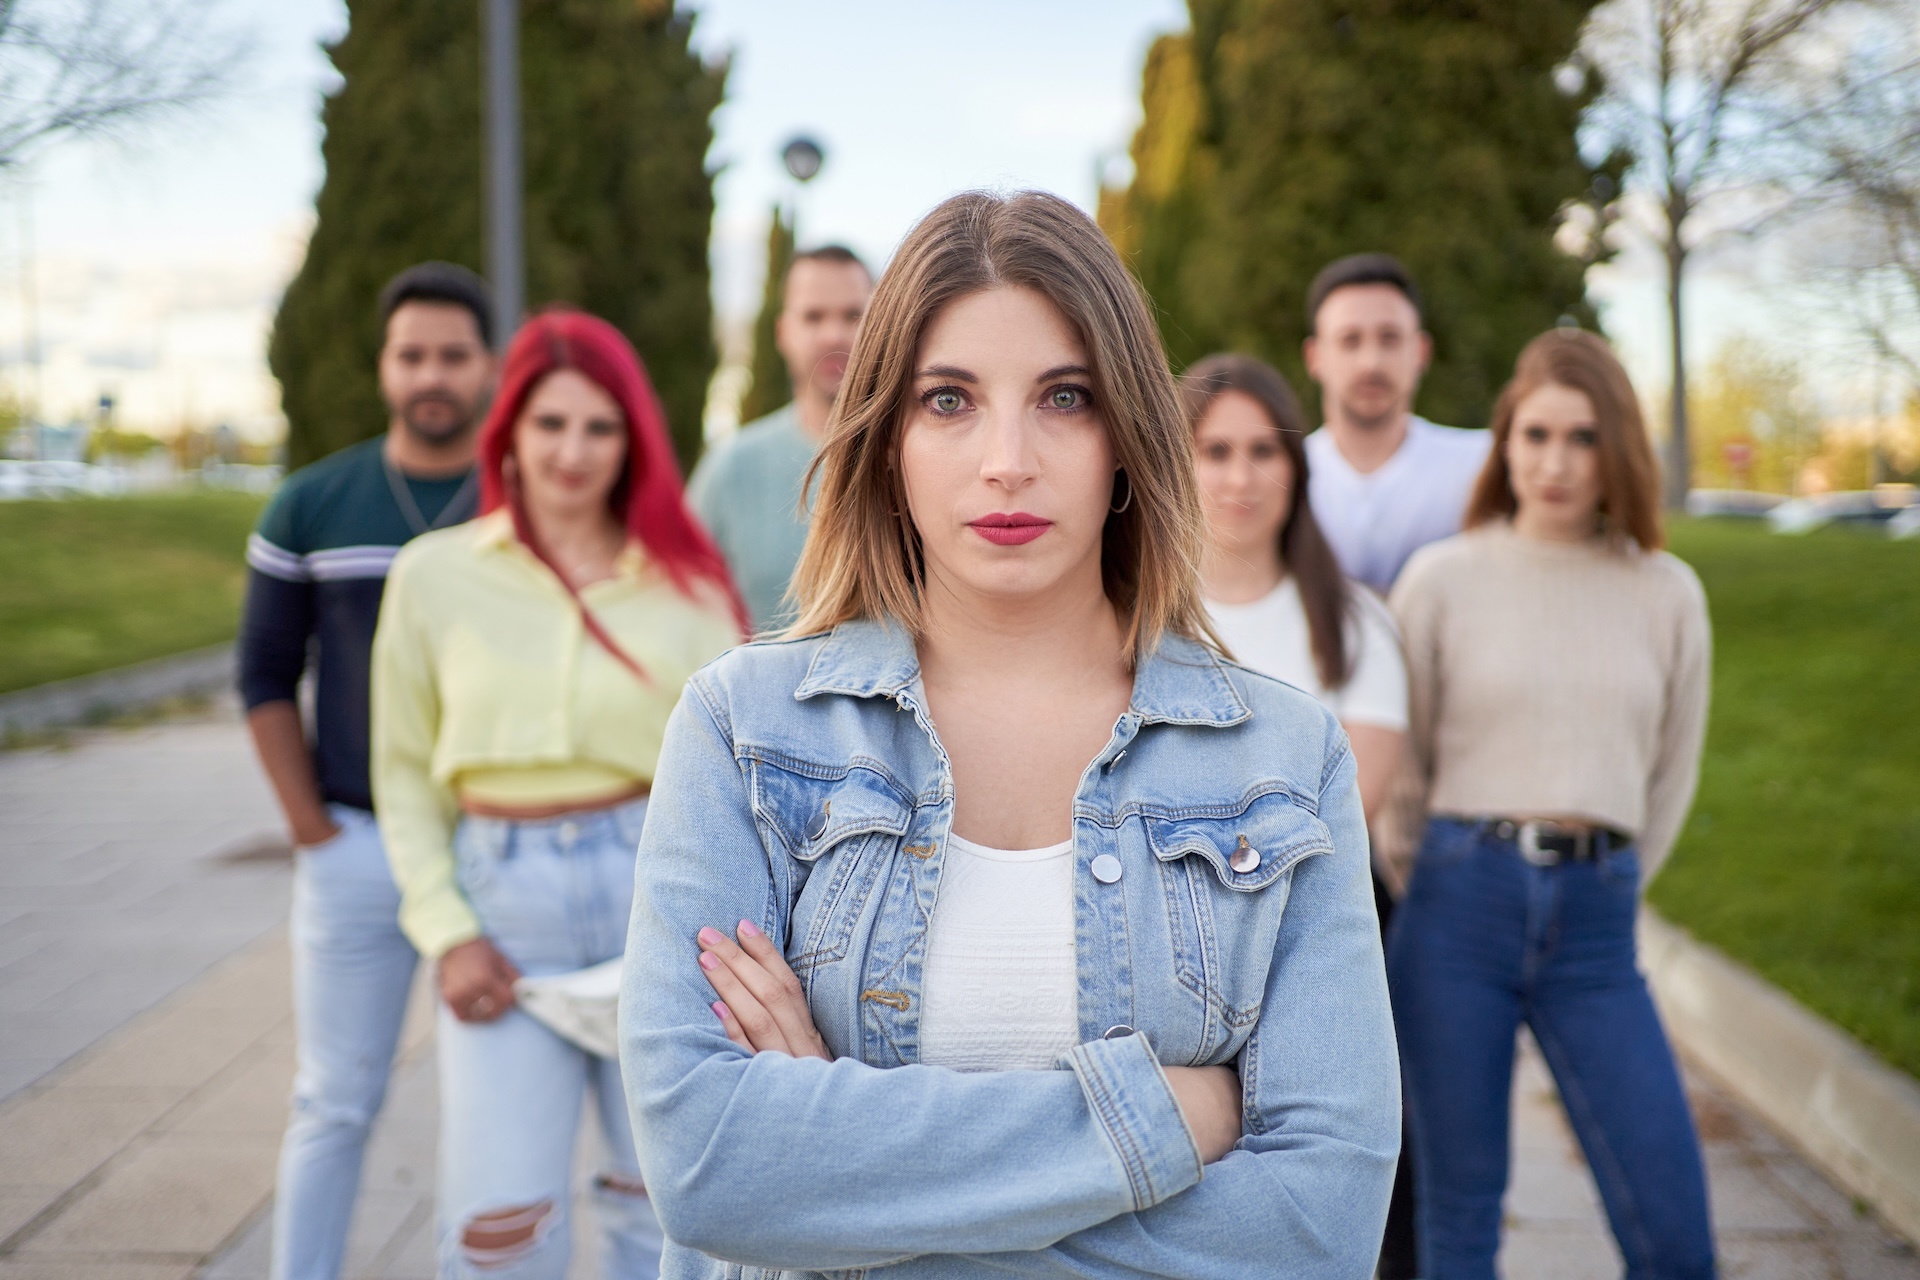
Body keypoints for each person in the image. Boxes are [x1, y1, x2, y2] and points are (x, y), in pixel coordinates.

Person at [618, 190, 1399, 1279]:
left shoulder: (1283, 756)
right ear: (887, 439)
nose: (1007, 459)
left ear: (1127, 435)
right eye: (949, 400)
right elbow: (710, 1164)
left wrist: (840, 1191)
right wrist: (1159, 1122)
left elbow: (1320, 1230)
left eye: (1065, 397)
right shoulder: (744, 729)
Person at [371, 311, 745, 1279]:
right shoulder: (431, 576)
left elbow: (736, 781)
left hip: (656, 899)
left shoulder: (692, 587)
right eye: (550, 423)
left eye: (599, 427)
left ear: (633, 440)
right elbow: (403, 772)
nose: (573, 452)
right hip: (503, 911)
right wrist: (445, 930)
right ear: (508, 429)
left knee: (663, 1207)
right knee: (497, 1227)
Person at [1387, 328, 1715, 1279]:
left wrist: (1605, 875)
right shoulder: (1442, 578)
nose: (1556, 463)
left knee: (1674, 1234)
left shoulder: (1667, 592)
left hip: (1596, 930)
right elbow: (1402, 769)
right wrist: (1440, 872)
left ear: (1618, 450)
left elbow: (1671, 770)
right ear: (1505, 443)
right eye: (1535, 435)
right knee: (1459, 1221)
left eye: (1582, 438)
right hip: (1457, 914)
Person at [238, 261, 495, 1280]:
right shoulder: (311, 503)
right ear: (384, 365)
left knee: (487, 1103)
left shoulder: (526, 499)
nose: (432, 374)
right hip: (355, 841)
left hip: (490, 849)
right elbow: (263, 675)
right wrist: (312, 828)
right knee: (333, 1099)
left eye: (453, 354)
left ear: (488, 365)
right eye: (412, 354)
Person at [1183, 353, 1408, 825]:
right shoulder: (1124, 616)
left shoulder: (1357, 622)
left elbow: (1350, 813)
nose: (1241, 478)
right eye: (1216, 452)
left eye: (1264, 451)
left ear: (1296, 467)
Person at [687, 244, 872, 631]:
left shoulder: (916, 458)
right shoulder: (730, 469)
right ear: (783, 333)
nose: (834, 335)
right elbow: (682, 604)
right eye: (813, 316)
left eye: (853, 315)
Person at [1301, 252, 1491, 597]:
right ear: (1315, 357)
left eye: (1389, 338)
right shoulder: (1281, 477)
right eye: (1350, 340)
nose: (1371, 362)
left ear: (1421, 351)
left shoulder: (1481, 466)